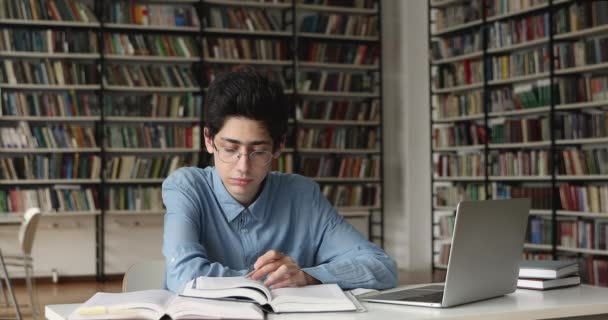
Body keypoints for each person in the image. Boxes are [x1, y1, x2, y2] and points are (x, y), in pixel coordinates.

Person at [162, 68, 397, 293]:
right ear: (209, 140)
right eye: (230, 148)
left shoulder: (302, 195)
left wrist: (306, 276)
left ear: (279, 146)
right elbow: (183, 276)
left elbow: (381, 266)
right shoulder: (186, 188)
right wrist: (274, 280)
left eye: (259, 151)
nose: (243, 167)